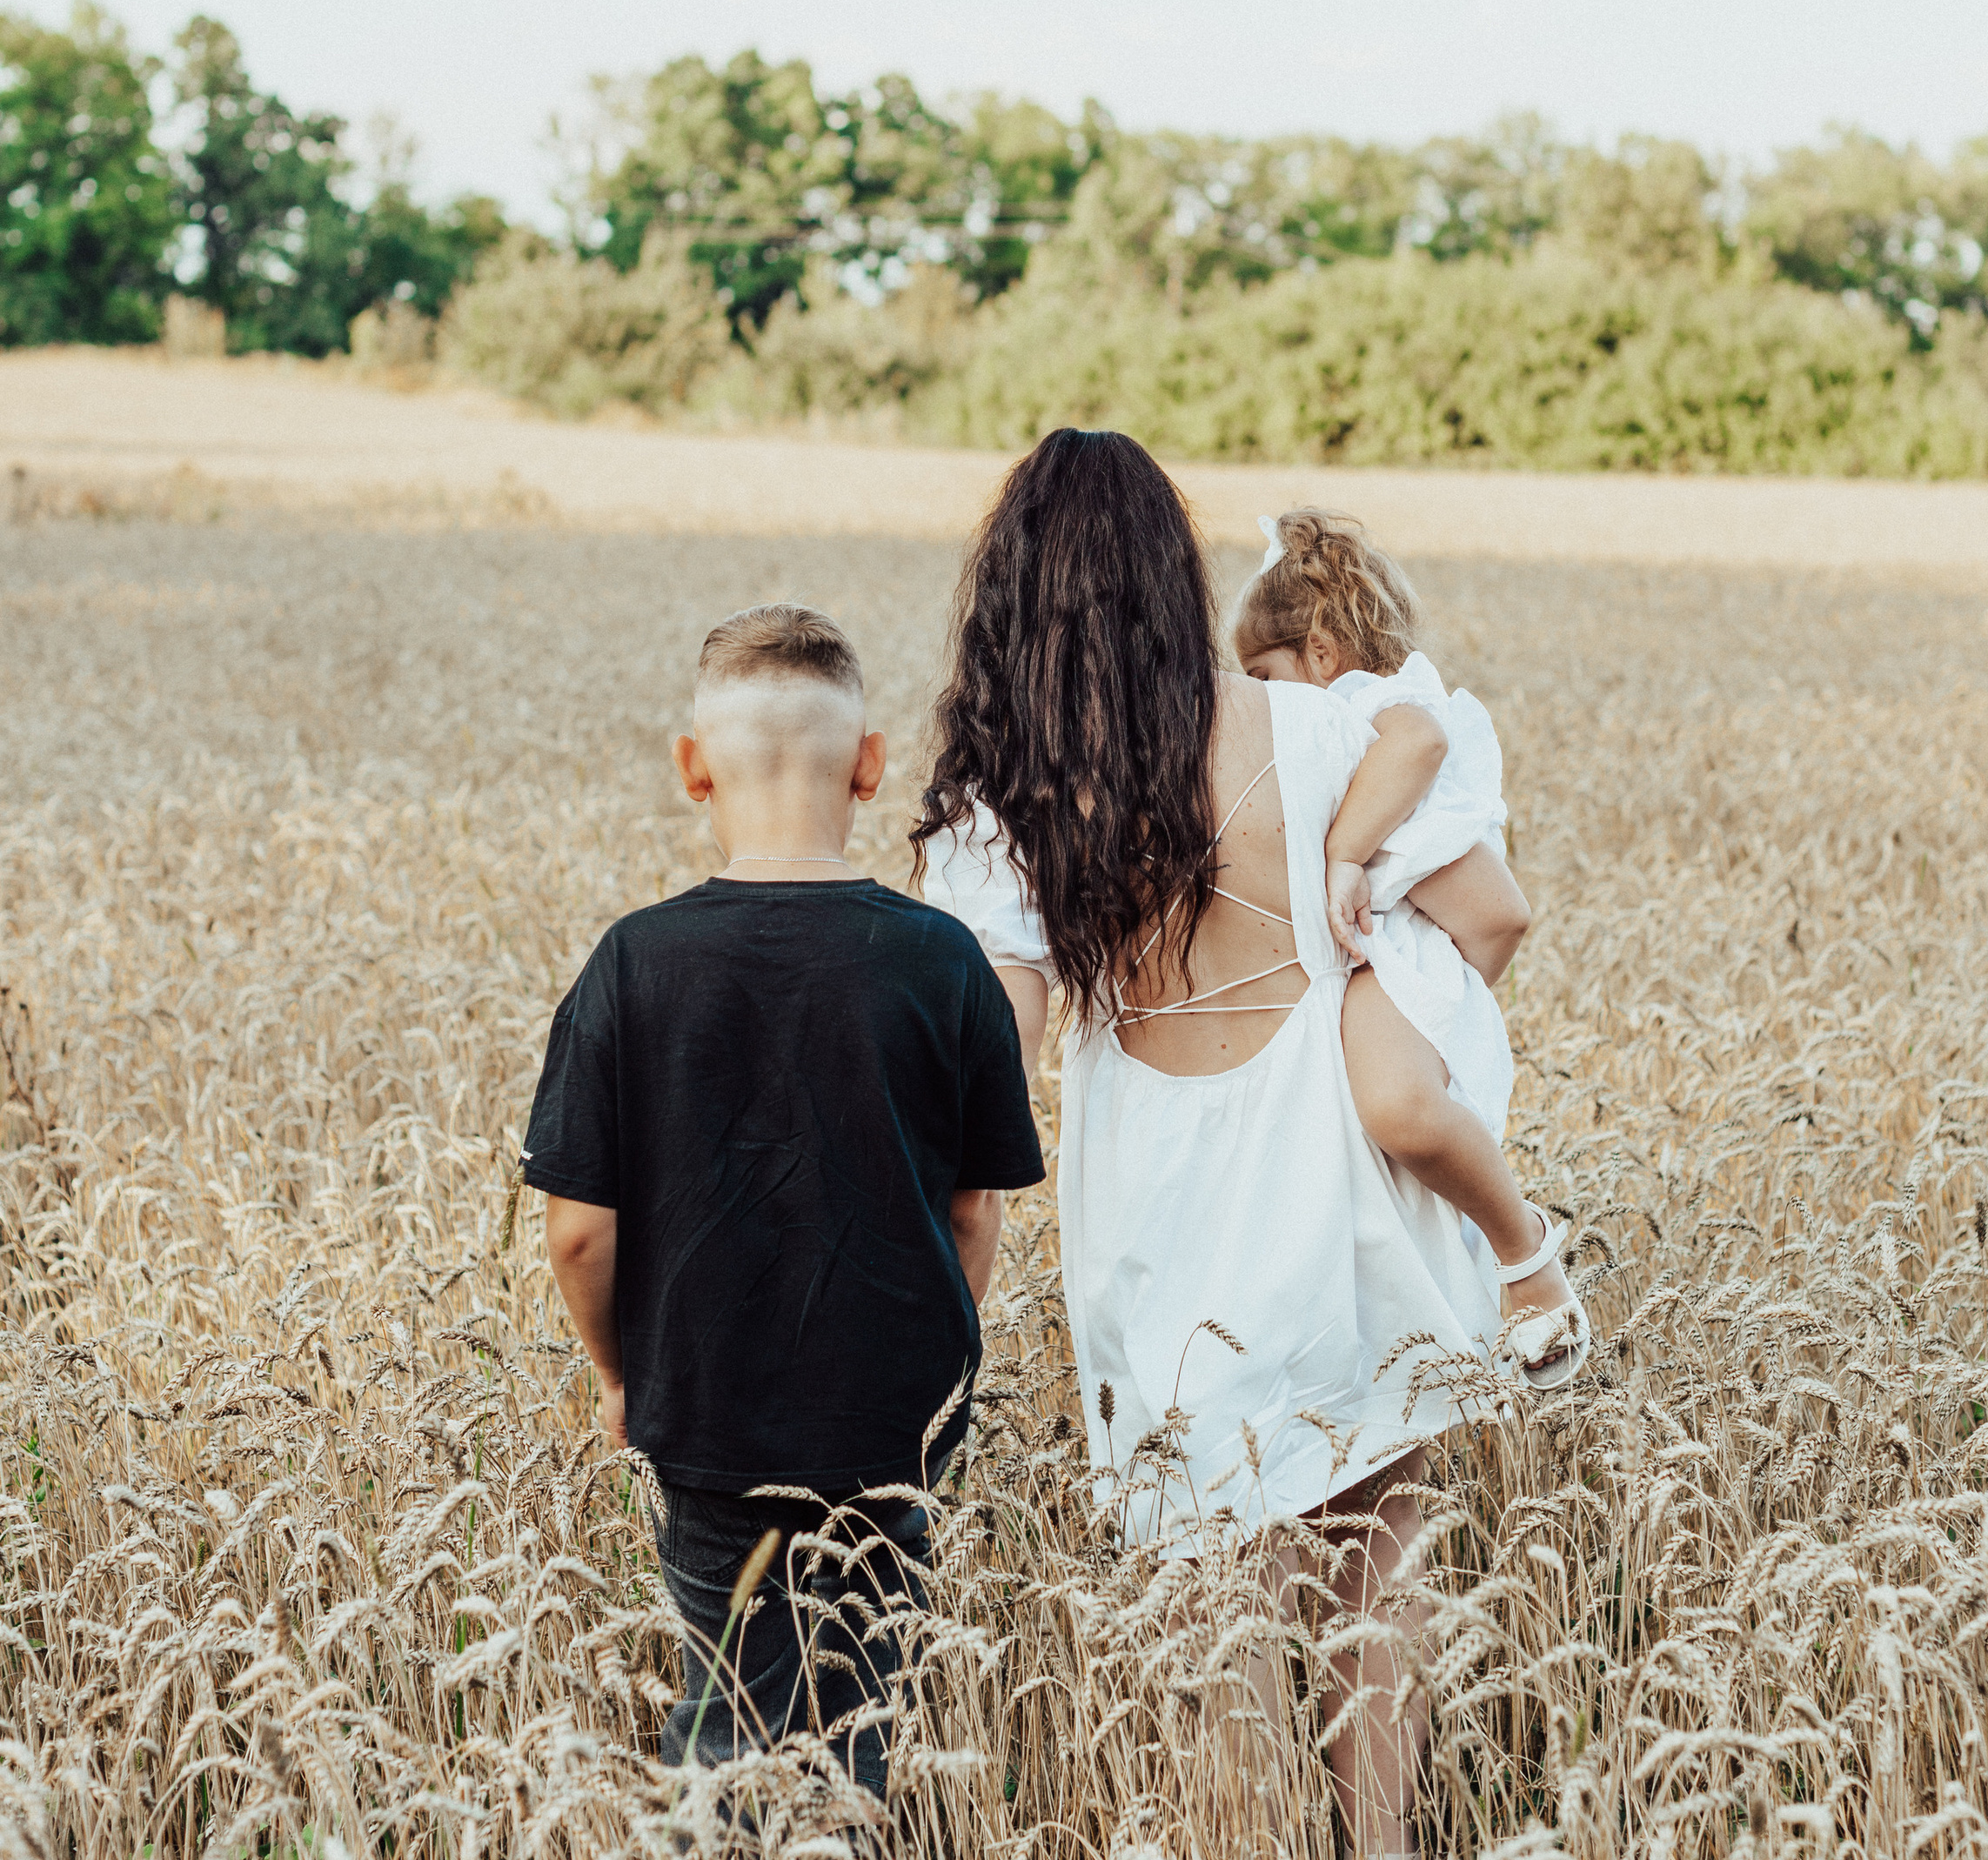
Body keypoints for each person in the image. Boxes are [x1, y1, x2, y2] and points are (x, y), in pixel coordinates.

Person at [913, 432, 1529, 1856]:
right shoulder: (1319, 731)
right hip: (1345, 1186)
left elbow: (992, 1055)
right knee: (1374, 1570)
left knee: (1214, 1580)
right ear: (1173, 583)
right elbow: (1489, 911)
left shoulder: (1001, 804)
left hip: (1160, 1218)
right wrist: (1390, 992)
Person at [521, 603, 1045, 1797]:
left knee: (726, 1714)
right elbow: (973, 1215)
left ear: (690, 769)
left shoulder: (631, 963)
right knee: (858, 1720)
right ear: (870, 769)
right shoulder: (941, 959)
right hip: (891, 1423)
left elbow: (578, 1229)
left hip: (704, 1413)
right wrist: (932, 1372)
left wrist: (618, 1375)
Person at [1232, 507, 1590, 1388]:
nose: (1253, 695)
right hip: (1392, 951)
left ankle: (1525, 1253)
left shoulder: (1365, 705)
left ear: (1320, 651)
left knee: (1398, 1108)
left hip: (1407, 951)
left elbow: (1424, 751)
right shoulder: (1326, 719)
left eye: (1260, 673)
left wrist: (1346, 854)